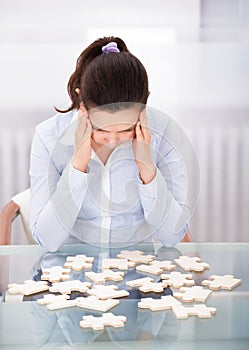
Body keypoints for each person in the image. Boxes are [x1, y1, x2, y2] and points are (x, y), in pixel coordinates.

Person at [29, 36, 192, 252]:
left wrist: (146, 167)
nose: (113, 140)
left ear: (145, 103)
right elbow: (47, 240)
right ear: (82, 102)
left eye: (125, 129)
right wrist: (78, 164)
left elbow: (172, 236)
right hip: (71, 274)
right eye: (102, 130)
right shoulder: (48, 137)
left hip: (139, 275)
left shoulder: (164, 134)